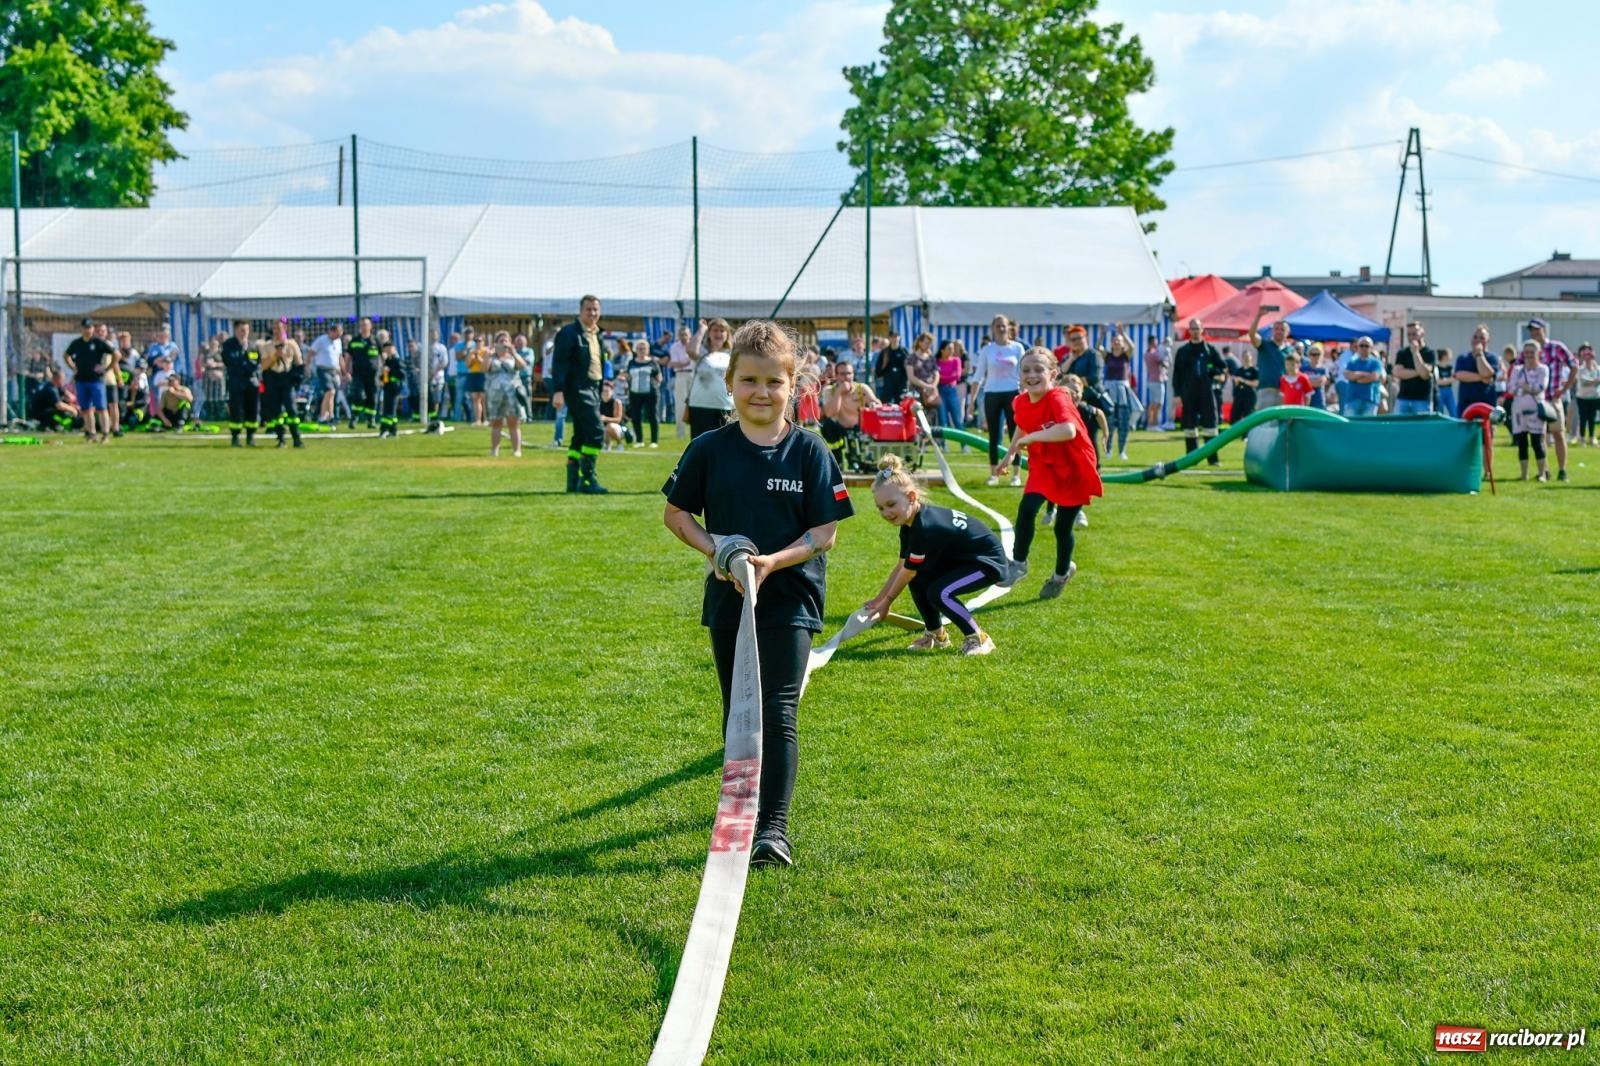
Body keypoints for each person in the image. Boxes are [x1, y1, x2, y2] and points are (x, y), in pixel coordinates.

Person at [662, 320, 854, 868]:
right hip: (730, 600)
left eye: (774, 382)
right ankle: (740, 811)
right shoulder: (708, 449)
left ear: (793, 386)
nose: (761, 392)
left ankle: (773, 828)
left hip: (792, 597)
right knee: (739, 711)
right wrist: (716, 550)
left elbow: (825, 532)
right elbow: (676, 514)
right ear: (730, 384)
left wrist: (772, 562)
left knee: (779, 709)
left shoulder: (810, 451)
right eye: (749, 380)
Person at [863, 454, 1008, 656]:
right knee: (919, 579)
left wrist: (887, 602)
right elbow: (903, 566)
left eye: (891, 504)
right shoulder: (909, 524)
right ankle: (936, 635)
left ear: (911, 497)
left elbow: (907, 572)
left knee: (939, 592)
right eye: (880, 508)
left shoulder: (925, 527)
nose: (886, 512)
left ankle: (979, 638)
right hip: (962, 560)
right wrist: (879, 600)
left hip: (987, 563)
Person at [1000, 348, 1102, 599]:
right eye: (1026, 370)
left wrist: (1033, 437)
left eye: (1039, 369)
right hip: (1044, 466)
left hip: (1073, 468)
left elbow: (1068, 431)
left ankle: (1061, 575)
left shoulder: (1058, 397)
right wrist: (1009, 454)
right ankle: (1018, 564)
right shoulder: (1020, 401)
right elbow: (1022, 425)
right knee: (1027, 508)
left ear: (1053, 374)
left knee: (1062, 529)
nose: (1032, 375)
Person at [552, 295, 609, 494]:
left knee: (581, 435)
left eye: (596, 309)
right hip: (578, 388)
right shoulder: (569, 333)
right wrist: (558, 390)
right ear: (580, 311)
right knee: (596, 432)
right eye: (588, 309)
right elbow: (559, 363)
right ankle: (588, 479)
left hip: (593, 387)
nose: (592, 313)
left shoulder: (597, 334)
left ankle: (573, 481)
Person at [970, 313, 1025, 486]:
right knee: (994, 435)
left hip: (1013, 393)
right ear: (992, 329)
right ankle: (994, 474)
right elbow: (978, 376)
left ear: (1009, 328)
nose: (1001, 328)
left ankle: (1016, 475)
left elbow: (1023, 372)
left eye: (1003, 325)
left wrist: (1026, 394)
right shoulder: (988, 350)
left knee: (1016, 435)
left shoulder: (1017, 348)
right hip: (992, 393)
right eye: (997, 326)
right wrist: (971, 402)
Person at [1171, 317, 1226, 463]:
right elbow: (1176, 375)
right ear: (1189, 331)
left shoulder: (1209, 350)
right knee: (1189, 426)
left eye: (1197, 328)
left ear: (1202, 330)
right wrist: (1177, 394)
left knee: (1210, 426)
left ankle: (1213, 459)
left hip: (1206, 393)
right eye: (1193, 329)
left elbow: (1222, 367)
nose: (1195, 331)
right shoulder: (1183, 351)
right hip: (1188, 393)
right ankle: (1191, 458)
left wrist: (1214, 373)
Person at [1528, 318, 1574, 480]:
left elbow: (1573, 365)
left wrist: (1565, 388)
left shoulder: (1556, 347)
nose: (1534, 333)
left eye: (1537, 330)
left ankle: (1562, 470)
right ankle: (1544, 470)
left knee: (1558, 433)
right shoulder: (1530, 350)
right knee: (1539, 436)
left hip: (1553, 398)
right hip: (1536, 399)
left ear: (1544, 330)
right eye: (1532, 330)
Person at [819, 359, 879, 470]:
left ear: (853, 374)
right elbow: (830, 413)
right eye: (842, 374)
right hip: (839, 430)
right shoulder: (829, 390)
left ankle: (859, 460)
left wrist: (872, 404)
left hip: (859, 429)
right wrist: (839, 392)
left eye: (849, 373)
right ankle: (837, 460)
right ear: (836, 376)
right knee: (827, 425)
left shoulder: (862, 389)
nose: (846, 377)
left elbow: (877, 404)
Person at [683, 318, 736, 440]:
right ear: (709, 333)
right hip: (700, 405)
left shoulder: (732, 354)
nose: (718, 333)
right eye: (715, 330)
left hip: (725, 405)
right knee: (700, 445)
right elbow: (690, 350)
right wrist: (702, 330)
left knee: (724, 444)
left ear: (727, 334)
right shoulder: (701, 351)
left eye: (722, 330)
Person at [63, 318, 113, 442]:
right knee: (86, 409)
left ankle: (105, 434)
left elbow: (116, 354)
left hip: (96, 380)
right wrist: (73, 367)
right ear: (81, 329)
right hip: (81, 380)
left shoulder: (98, 342)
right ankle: (91, 433)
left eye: (89, 328)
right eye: (85, 328)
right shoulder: (77, 343)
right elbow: (66, 355)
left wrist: (106, 368)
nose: (87, 330)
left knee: (101, 408)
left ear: (93, 329)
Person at [1509, 341, 1551, 481]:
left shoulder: (1543, 369)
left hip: (1535, 410)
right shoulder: (1517, 370)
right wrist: (1527, 388)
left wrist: (1523, 387)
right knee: (1521, 442)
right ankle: (1524, 474)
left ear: (1538, 353)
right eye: (1526, 352)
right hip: (1518, 410)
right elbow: (1511, 389)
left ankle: (1542, 474)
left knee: (1536, 442)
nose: (1528, 355)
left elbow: (1540, 387)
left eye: (1532, 352)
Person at [259, 322, 305, 448]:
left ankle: (297, 438)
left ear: (285, 329)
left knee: (291, 409)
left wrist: (297, 378)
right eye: (274, 329)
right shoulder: (267, 346)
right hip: (272, 378)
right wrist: (275, 356)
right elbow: (264, 365)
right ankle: (281, 438)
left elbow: (299, 363)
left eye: (279, 329)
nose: (276, 332)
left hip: (287, 378)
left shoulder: (291, 344)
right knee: (275, 411)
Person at [220, 320, 261, 447]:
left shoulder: (253, 346)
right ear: (236, 330)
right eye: (242, 330)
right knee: (236, 410)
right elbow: (230, 361)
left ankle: (250, 436)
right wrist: (245, 362)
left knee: (252, 410)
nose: (245, 333)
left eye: (247, 330)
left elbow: (256, 363)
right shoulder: (229, 345)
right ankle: (235, 437)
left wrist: (245, 363)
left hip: (251, 383)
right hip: (236, 382)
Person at [484, 340, 525, 457]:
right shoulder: (492, 357)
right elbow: (483, 369)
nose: (503, 346)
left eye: (505, 342)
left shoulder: (513, 357)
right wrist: (488, 355)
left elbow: (522, 366)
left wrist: (513, 352)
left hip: (512, 393)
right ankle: (494, 450)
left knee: (514, 423)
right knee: (496, 423)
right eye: (500, 342)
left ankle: (517, 450)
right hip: (495, 394)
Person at [1246, 306, 1291, 409]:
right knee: (1265, 419)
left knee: (1282, 419)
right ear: (1272, 331)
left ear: (1287, 333)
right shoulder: (1265, 345)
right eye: (1276, 329)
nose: (1279, 331)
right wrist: (1258, 316)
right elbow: (1252, 334)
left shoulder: (1290, 350)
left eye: (1282, 329)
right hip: (1266, 391)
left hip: (1284, 392)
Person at [1102, 328, 1136, 459]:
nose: (1116, 342)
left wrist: (1123, 333)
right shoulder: (1108, 356)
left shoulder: (1125, 356)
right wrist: (1102, 334)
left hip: (1123, 391)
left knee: (1123, 422)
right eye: (1114, 340)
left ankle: (1122, 451)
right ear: (1111, 343)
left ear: (1122, 344)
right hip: (1110, 390)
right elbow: (1098, 348)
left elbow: (1132, 346)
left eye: (1119, 340)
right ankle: (1108, 450)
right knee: (1109, 422)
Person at [1392, 321, 1436, 416]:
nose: (1411, 337)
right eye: (1409, 334)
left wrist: (1415, 353)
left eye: (1414, 334)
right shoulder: (1402, 353)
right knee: (1398, 424)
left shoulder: (1429, 353)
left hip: (1422, 400)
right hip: (1403, 399)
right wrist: (1419, 371)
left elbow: (1424, 375)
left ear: (1422, 333)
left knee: (1421, 426)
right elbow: (1397, 372)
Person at [1453, 325, 1500, 414]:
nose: (1478, 340)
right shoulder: (1463, 357)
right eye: (1475, 337)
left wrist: (1479, 355)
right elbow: (1459, 375)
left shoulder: (1492, 358)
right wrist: (1483, 378)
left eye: (1482, 338)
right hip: (1465, 406)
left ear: (1488, 340)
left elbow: (1487, 373)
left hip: (1486, 405)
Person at [344, 317, 381, 430]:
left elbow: (382, 357)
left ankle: (371, 420)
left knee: (372, 397)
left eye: (366, 324)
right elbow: (348, 357)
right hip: (358, 374)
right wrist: (346, 372)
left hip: (373, 374)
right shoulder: (354, 341)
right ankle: (354, 418)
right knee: (358, 395)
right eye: (362, 325)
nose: (364, 327)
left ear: (370, 326)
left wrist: (383, 374)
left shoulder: (375, 341)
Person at [624, 338, 661, 448]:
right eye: (639, 349)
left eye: (644, 348)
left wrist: (654, 385)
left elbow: (659, 377)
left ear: (647, 350)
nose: (641, 350)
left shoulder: (653, 362)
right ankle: (639, 440)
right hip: (635, 393)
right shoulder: (631, 362)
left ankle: (654, 441)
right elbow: (628, 376)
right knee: (636, 417)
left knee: (652, 416)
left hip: (650, 393)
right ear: (636, 350)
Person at [1341, 337, 1384, 418]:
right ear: (1358, 347)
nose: (1364, 348)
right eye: (1361, 345)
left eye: (1366, 346)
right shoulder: (1352, 362)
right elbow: (1347, 375)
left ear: (1371, 348)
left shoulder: (1376, 362)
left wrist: (1356, 376)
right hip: (1353, 399)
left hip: (1370, 400)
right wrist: (1364, 374)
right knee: (1350, 423)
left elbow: (1374, 377)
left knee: (1368, 424)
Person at [904, 332, 940, 411]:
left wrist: (933, 386)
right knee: (918, 415)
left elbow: (936, 373)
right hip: (916, 393)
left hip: (930, 393)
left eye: (930, 344)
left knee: (931, 415)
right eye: (927, 343)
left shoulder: (931, 358)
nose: (928, 346)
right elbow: (911, 377)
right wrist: (926, 386)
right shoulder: (911, 358)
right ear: (920, 343)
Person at [935, 338, 964, 433]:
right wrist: (945, 377)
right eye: (949, 348)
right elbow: (935, 376)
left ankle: (962, 441)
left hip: (952, 390)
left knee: (957, 419)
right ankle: (943, 441)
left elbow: (957, 376)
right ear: (942, 350)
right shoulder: (937, 361)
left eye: (952, 348)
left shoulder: (956, 360)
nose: (952, 351)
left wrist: (941, 377)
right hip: (940, 391)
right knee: (942, 419)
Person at [1572, 344, 1599, 446]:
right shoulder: (1580, 369)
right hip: (1582, 397)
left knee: (1592, 418)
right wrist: (1595, 381)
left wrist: (1593, 381)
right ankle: (1582, 438)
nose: (1588, 359)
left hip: (1594, 397)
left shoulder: (1597, 369)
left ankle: (1592, 438)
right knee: (1583, 418)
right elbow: (1584, 382)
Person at [1143, 335, 1170, 431]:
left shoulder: (1147, 353)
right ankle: (1153, 424)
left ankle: (1150, 424)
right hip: (1157, 380)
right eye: (1156, 342)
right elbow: (1164, 364)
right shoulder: (1154, 353)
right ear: (1152, 342)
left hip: (1151, 380)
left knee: (1153, 404)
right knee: (1157, 404)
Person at [874, 330, 909, 401]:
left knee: (901, 401)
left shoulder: (904, 351)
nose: (895, 339)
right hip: (888, 381)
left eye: (896, 337)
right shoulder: (885, 352)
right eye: (892, 337)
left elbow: (909, 367)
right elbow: (878, 370)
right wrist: (884, 364)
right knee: (886, 401)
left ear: (899, 338)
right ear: (889, 338)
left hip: (901, 381)